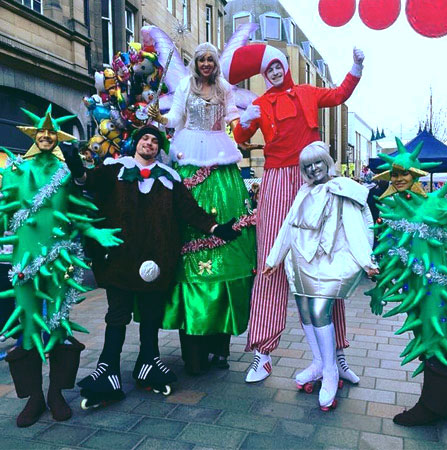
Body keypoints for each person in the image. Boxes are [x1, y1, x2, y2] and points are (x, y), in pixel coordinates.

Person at [64, 125, 238, 406]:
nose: (149, 143)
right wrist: (76, 167)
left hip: (156, 264)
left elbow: (190, 211)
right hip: (119, 262)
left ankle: (148, 362)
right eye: (145, 138)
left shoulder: (169, 178)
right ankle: (108, 368)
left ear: (159, 148)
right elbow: (88, 181)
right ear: (136, 143)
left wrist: (217, 228)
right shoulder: (115, 169)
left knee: (150, 317)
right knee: (117, 316)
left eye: (155, 141)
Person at [228, 44, 365, 382]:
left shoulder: (306, 91)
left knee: (328, 260)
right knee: (269, 262)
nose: (274, 73)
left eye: (278, 66)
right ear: (264, 74)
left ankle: (337, 355)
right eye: (269, 69)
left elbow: (338, 95)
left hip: (313, 177)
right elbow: (240, 139)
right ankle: (262, 353)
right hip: (275, 177)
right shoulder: (259, 104)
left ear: (285, 67)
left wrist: (356, 67)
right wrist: (242, 125)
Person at [1, 105, 122, 427]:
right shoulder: (16, 171)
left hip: (60, 262)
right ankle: (34, 398)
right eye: (40, 132)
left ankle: (55, 393)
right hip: (23, 263)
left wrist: (95, 230)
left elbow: (79, 215)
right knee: (26, 327)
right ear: (32, 136)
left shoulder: (65, 173)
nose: (44, 136)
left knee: (57, 326)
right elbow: (4, 208)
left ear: (57, 139)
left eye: (51, 133)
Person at [149, 43, 256, 374]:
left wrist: (246, 127)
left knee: (228, 230)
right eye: (202, 59)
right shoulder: (184, 86)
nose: (207, 63)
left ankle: (220, 345)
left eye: (211, 58)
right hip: (187, 152)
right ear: (195, 63)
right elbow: (176, 118)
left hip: (220, 155)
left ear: (215, 63)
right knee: (183, 216)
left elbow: (235, 119)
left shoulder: (224, 88)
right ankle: (193, 340)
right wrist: (159, 117)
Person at [264, 142, 378, 410]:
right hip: (301, 260)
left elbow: (355, 228)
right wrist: (273, 259)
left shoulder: (342, 189)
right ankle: (318, 362)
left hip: (330, 260)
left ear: (327, 162)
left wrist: (367, 261)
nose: (314, 168)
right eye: (307, 165)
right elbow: (288, 227)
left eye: (317, 162)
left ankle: (330, 371)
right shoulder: (303, 193)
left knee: (319, 311)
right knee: (305, 311)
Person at [366, 138, 447, 426]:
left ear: (415, 175)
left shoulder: (435, 205)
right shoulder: (392, 211)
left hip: (435, 288)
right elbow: (389, 253)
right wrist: (379, 289)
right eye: (395, 174)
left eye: (404, 173)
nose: (399, 179)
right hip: (413, 290)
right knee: (426, 337)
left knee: (435, 336)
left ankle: (434, 404)